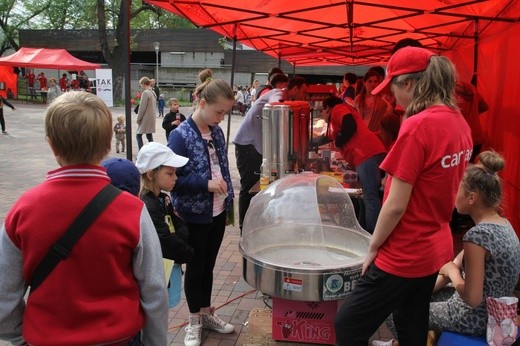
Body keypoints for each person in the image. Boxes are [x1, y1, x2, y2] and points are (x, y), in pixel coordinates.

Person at [0, 91, 168, 345]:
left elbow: (5, 292)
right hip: (118, 337)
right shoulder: (132, 210)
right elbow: (154, 288)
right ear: (108, 145)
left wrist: (19, 337)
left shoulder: (23, 209)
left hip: (46, 338)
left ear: (51, 144)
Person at [334, 46, 473, 346]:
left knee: (348, 325)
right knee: (411, 323)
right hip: (435, 246)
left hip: (404, 251)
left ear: (408, 84)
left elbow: (395, 205)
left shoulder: (418, 126)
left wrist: (373, 247)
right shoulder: (458, 121)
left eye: (392, 87)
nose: (388, 96)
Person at [167, 77, 236, 346]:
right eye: (219, 112)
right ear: (203, 102)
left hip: (217, 212)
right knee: (195, 268)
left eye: (225, 113)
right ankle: (193, 320)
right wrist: (205, 184)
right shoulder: (180, 135)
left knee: (208, 266)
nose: (221, 118)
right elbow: (172, 181)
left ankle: (206, 312)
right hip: (193, 215)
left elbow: (221, 166)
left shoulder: (216, 131)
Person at [428, 150, 520, 337]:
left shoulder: (477, 237)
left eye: (457, 190)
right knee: (417, 296)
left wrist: (452, 273)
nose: (453, 194)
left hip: (474, 318)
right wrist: (450, 271)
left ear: (472, 198)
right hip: (496, 313)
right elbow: (455, 265)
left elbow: (472, 298)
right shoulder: (503, 223)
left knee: (398, 310)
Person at [233, 75, 305, 231]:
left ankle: (257, 221)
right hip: (247, 145)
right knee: (249, 186)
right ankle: (243, 227)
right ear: (295, 89)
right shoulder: (278, 93)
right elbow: (276, 105)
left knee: (261, 184)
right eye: (303, 92)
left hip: (257, 146)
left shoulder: (283, 95)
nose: (303, 96)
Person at [321, 95, 386, 232]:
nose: (321, 115)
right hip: (368, 153)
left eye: (321, 111)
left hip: (365, 154)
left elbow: (349, 124)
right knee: (370, 195)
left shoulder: (338, 109)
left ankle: (372, 236)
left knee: (370, 196)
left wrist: (339, 141)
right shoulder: (335, 120)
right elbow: (324, 138)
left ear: (327, 108)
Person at [135, 142, 194, 267]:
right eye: (170, 173)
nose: (175, 178)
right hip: (160, 268)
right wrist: (188, 252)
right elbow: (165, 241)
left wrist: (178, 237)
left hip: (171, 266)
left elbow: (179, 224)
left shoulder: (164, 198)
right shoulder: (148, 206)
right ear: (151, 174)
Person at [136, 77, 157, 149]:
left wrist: (138, 119)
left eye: (141, 84)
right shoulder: (152, 92)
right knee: (149, 135)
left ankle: (141, 151)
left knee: (138, 135)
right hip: (151, 117)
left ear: (143, 84)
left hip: (145, 118)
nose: (141, 86)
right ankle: (153, 150)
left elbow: (142, 108)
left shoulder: (145, 93)